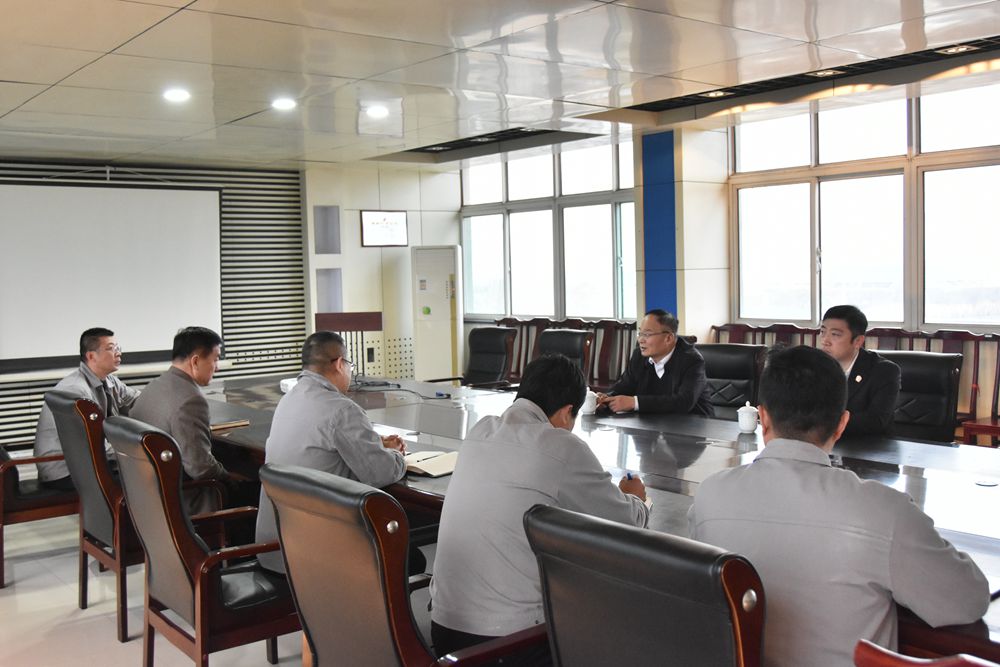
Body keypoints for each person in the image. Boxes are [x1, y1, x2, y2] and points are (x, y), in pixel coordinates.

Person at [688, 346, 989, 666]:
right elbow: (966, 600)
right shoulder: (884, 511)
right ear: (842, 423)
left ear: (762, 418)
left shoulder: (710, 496)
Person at [430, 354, 650, 660]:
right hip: (506, 645)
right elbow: (625, 524)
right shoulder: (560, 445)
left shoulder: (480, 431)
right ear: (567, 412)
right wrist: (637, 499)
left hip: (444, 632)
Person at [255, 331, 408, 573]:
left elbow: (320, 441)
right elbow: (381, 473)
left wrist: (376, 443)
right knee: (408, 554)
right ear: (339, 364)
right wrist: (398, 454)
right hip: (318, 561)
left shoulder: (289, 399)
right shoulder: (342, 409)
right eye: (349, 365)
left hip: (276, 550)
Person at [130, 326, 236, 514]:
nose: (218, 367)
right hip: (182, 501)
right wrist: (230, 477)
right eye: (215, 359)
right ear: (195, 361)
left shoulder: (154, 386)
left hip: (147, 496)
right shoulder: (191, 400)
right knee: (251, 489)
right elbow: (200, 468)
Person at [33, 328, 140, 491]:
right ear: (91, 356)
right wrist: (135, 451)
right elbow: (90, 442)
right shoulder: (76, 390)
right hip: (63, 470)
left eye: (118, 347)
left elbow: (138, 401)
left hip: (84, 459)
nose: (118, 353)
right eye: (111, 348)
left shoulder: (109, 380)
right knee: (142, 478)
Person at [597, 308, 713, 416]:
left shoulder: (691, 360)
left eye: (647, 334)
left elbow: (684, 402)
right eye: (640, 333)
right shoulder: (639, 356)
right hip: (652, 424)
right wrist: (606, 398)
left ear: (668, 338)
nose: (640, 340)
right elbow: (624, 386)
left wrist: (635, 402)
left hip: (694, 424)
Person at [820, 304, 900, 437]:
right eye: (822, 332)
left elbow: (876, 421)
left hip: (868, 445)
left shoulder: (884, 371)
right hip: (823, 443)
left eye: (835, 334)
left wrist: (820, 424)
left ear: (858, 341)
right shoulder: (815, 366)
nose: (825, 341)